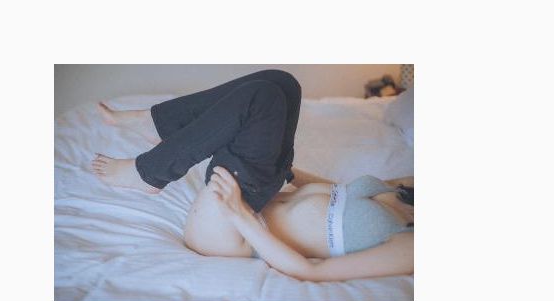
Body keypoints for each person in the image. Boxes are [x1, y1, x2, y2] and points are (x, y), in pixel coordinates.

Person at [91, 70, 413, 282]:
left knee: (263, 99)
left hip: (234, 228)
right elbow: (340, 192)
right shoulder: (412, 188)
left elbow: (313, 272)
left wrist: (240, 215)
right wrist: (288, 172)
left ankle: (149, 172)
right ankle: (158, 125)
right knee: (283, 84)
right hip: (257, 194)